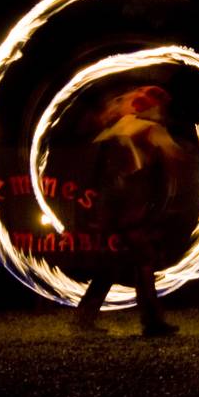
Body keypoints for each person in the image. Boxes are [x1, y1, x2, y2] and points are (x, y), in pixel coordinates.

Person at [72, 84, 188, 336]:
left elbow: (97, 154)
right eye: (160, 107)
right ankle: (152, 322)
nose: (163, 111)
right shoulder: (152, 128)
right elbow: (175, 158)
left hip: (110, 205)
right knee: (143, 261)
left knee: (115, 264)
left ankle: (83, 320)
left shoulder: (121, 125)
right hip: (129, 205)